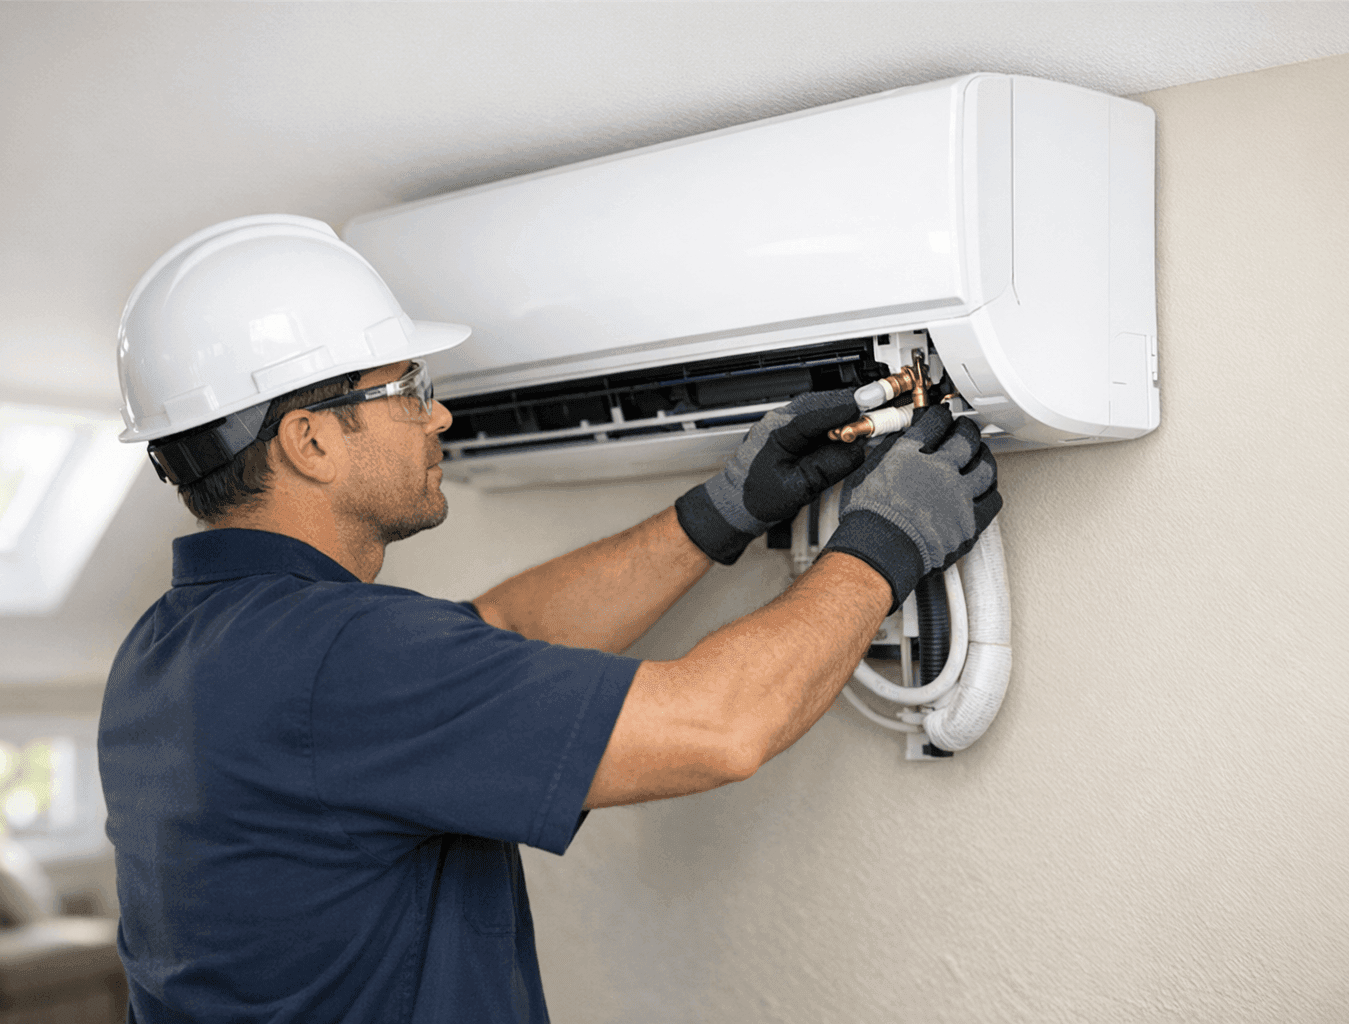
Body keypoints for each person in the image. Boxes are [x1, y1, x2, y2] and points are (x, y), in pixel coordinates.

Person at [99, 215, 1000, 1024]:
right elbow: (717, 726)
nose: (438, 413)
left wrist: (721, 510)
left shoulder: (169, 649)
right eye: (406, 386)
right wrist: (885, 544)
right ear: (311, 440)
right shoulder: (341, 657)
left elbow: (499, 630)